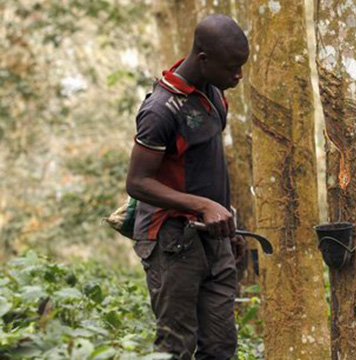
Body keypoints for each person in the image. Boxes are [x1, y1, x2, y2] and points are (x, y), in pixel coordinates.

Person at [125, 14, 249, 360]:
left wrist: (227, 221)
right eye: (232, 67)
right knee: (175, 346)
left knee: (221, 347)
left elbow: (207, 168)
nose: (238, 75)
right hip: (172, 241)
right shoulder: (160, 111)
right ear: (204, 59)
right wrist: (202, 206)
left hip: (214, 238)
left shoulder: (214, 94)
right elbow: (137, 182)